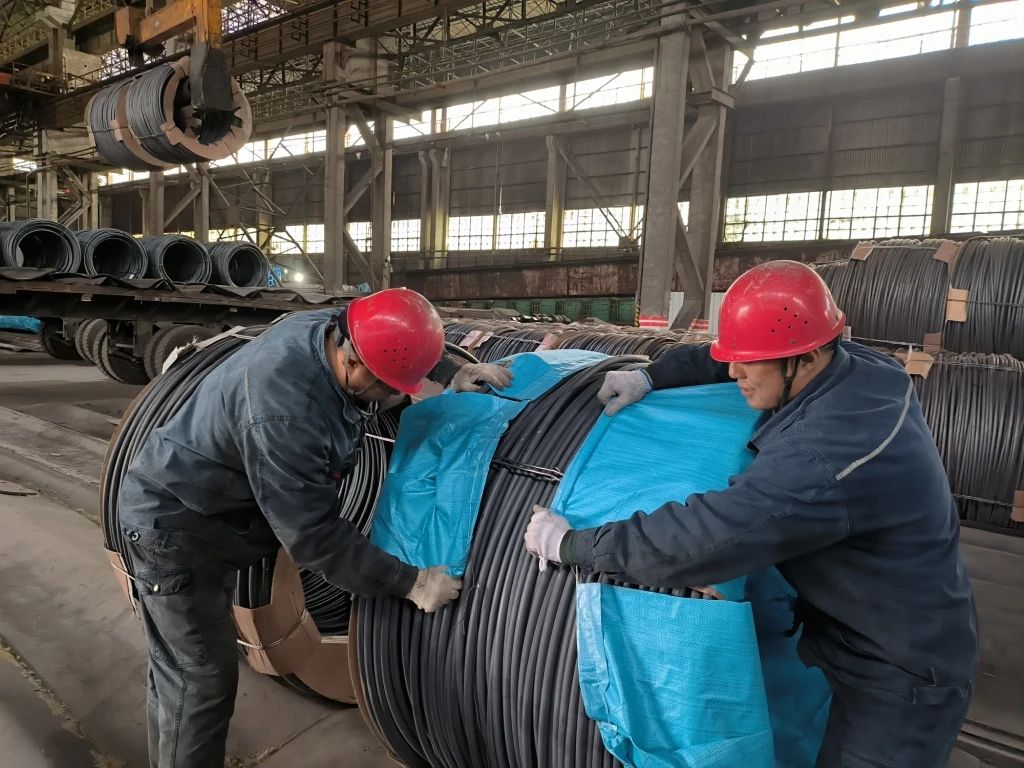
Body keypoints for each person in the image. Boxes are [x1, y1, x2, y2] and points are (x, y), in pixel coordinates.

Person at [525, 260, 977, 767]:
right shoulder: (856, 367)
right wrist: (651, 376)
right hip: (850, 626)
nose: (734, 373)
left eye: (749, 364)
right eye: (735, 359)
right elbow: (732, 359)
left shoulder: (824, 460)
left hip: (901, 671)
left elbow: (706, 538)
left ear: (806, 357)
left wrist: (572, 544)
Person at [119, 287, 511, 768]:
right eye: (388, 386)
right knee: (199, 680)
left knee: (179, 672)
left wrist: (449, 372)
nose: (393, 396)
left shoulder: (332, 328)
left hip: (199, 510)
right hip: (177, 531)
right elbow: (314, 538)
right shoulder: (288, 415)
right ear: (352, 364)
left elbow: (391, 334)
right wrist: (410, 581)